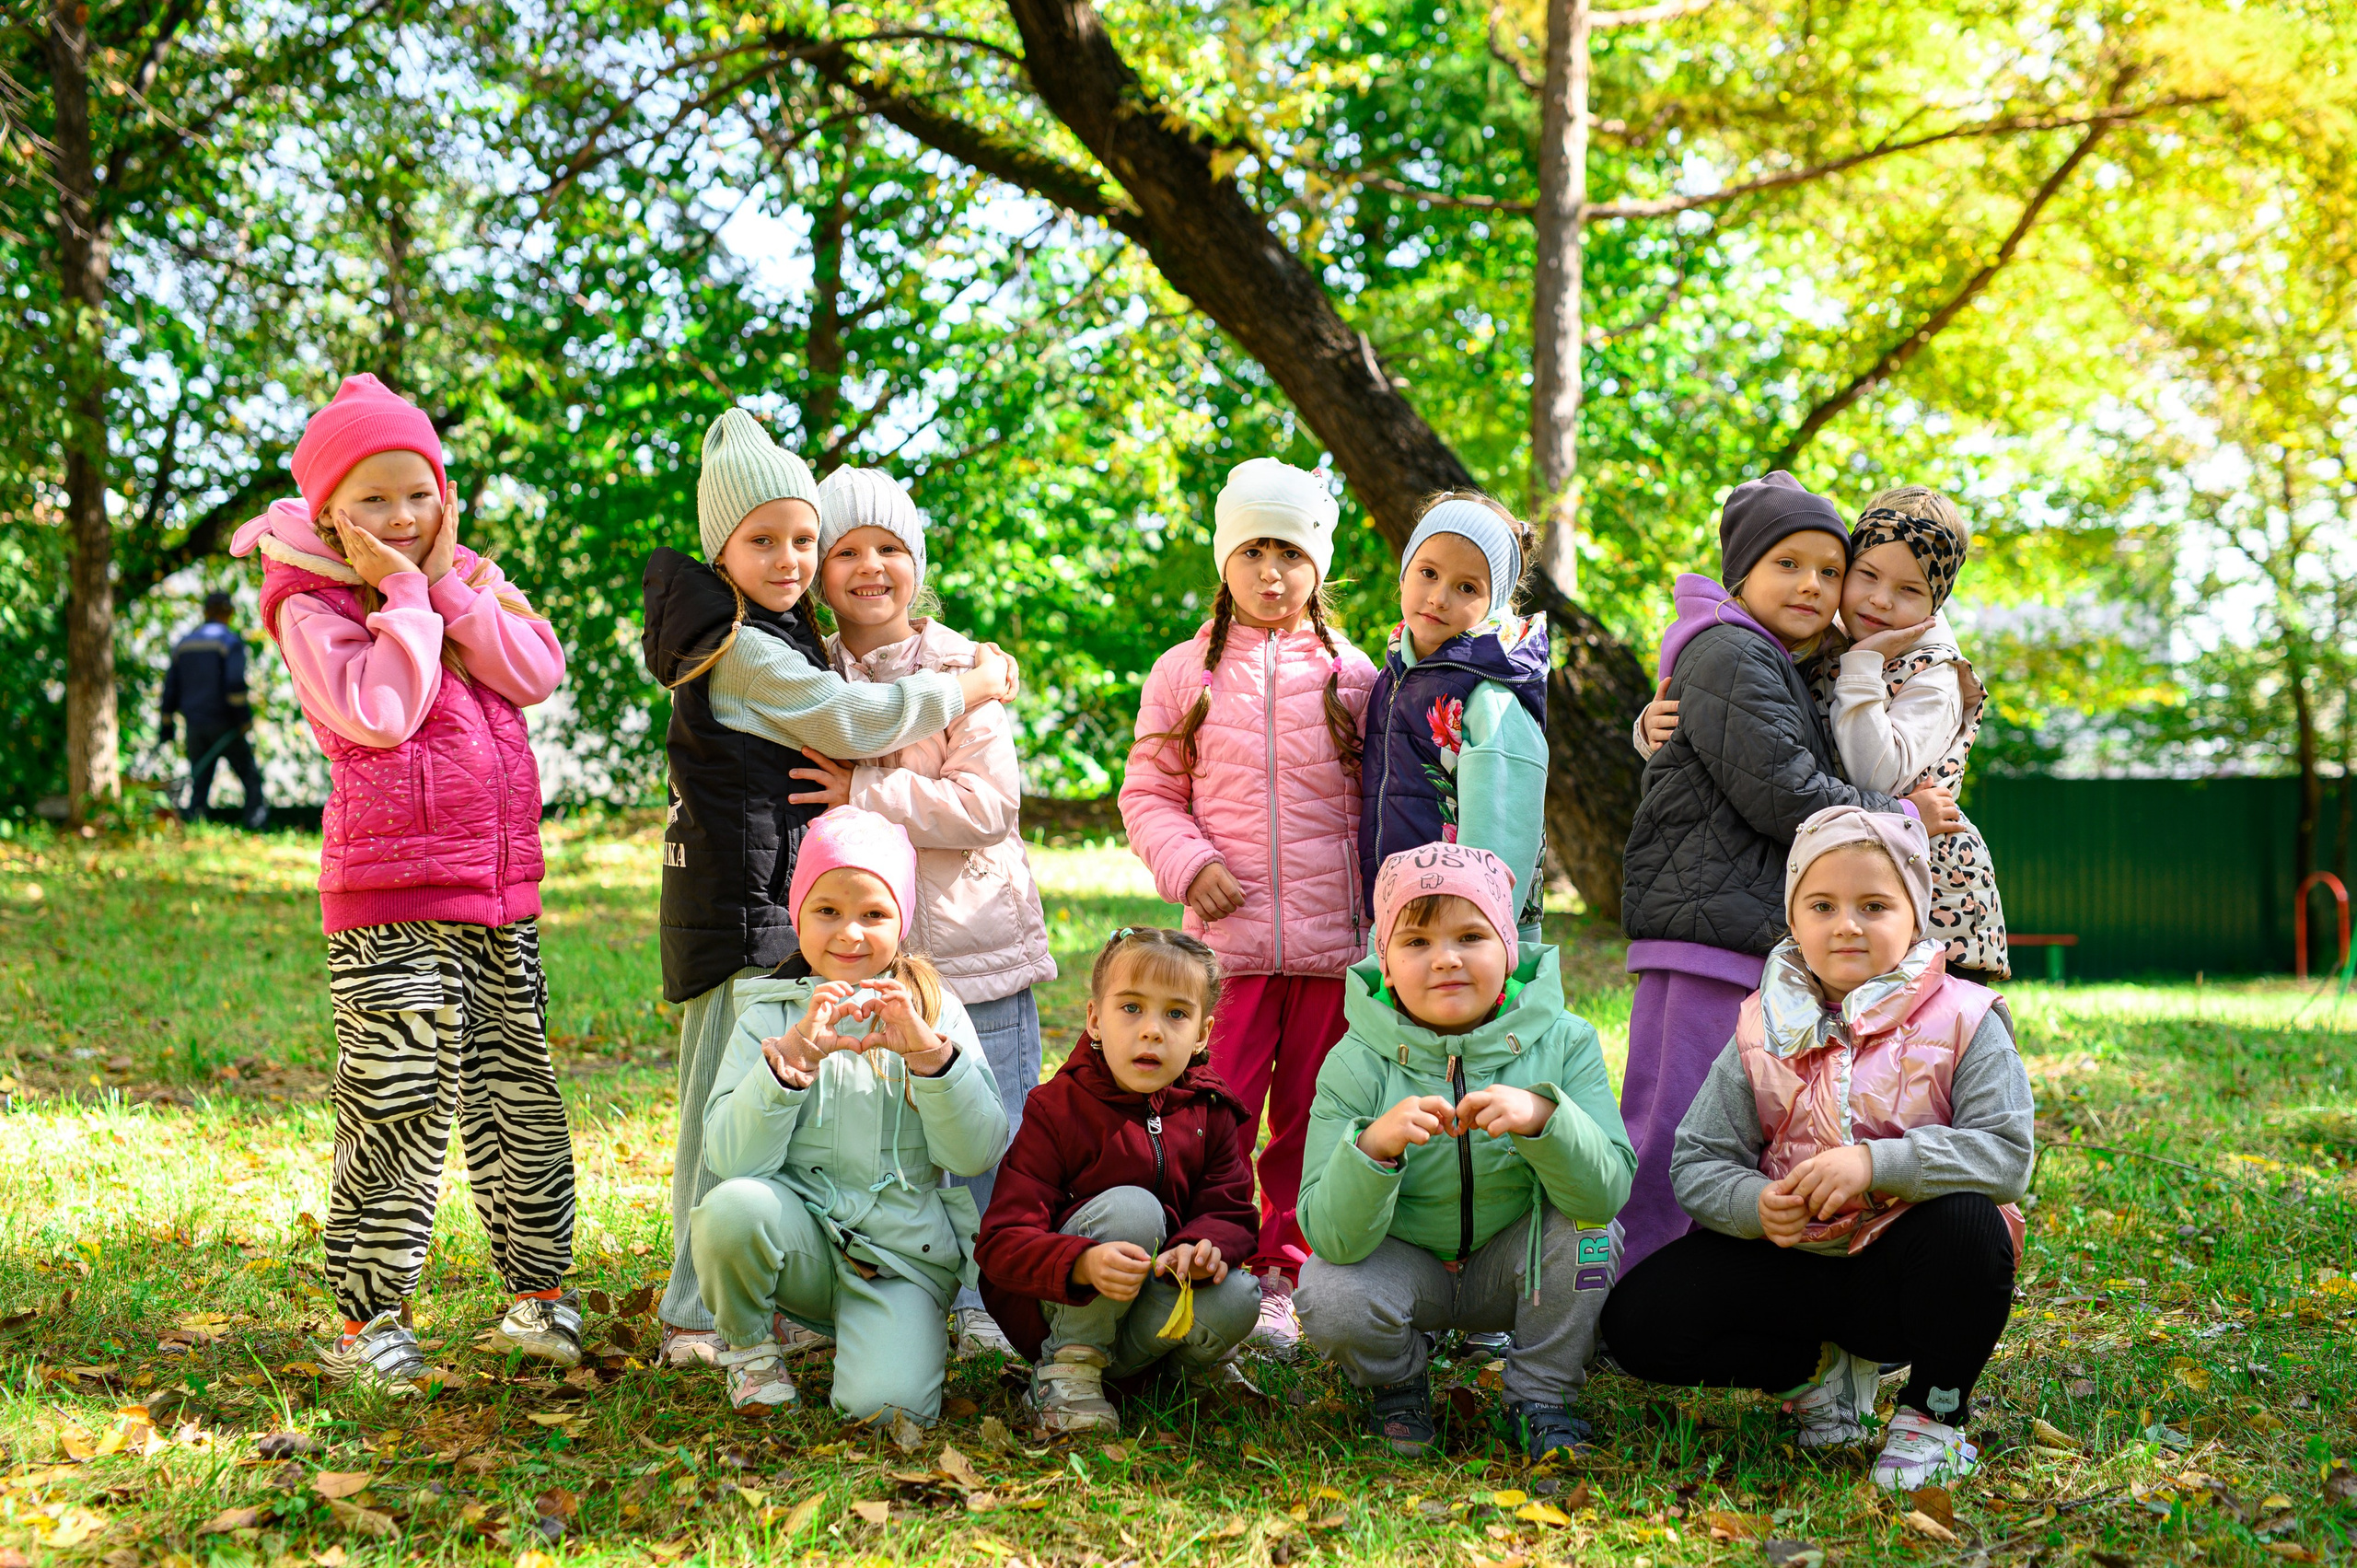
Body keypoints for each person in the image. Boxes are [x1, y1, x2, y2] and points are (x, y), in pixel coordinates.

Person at [639, 410, 1019, 1367]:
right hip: (733, 917)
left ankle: (771, 1288)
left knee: (766, 1102)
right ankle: (695, 1311)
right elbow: (851, 717)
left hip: (761, 902)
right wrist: (966, 687)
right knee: (717, 1112)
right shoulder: (744, 647)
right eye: (763, 539)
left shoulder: (766, 628)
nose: (790, 557)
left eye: (802, 537)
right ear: (720, 549)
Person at [226, 373, 577, 1391]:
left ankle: (539, 1293)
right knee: (401, 1094)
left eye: (417, 491)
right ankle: (368, 1317)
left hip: (498, 893)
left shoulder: (466, 572)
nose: (400, 517)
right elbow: (381, 709)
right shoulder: (309, 600)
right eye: (373, 498)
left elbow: (534, 669)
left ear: (445, 492)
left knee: (519, 1092)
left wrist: (451, 583)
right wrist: (408, 597)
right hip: (389, 899)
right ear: (330, 509)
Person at [1600, 806, 2032, 1490]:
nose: (1847, 924)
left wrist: (1877, 1163)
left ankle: (1933, 1416)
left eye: (1875, 904)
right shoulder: (1762, 1023)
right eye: (1822, 904)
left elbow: (2006, 1153)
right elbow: (1698, 1158)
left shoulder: (1965, 1017)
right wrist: (1754, 1202)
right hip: (1797, 1264)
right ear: (1793, 918)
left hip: (1905, 1273)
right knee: (1638, 1322)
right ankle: (1814, 1373)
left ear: (1915, 916)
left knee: (1971, 1226)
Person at [1617, 470, 1960, 1275]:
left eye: (1828, 570)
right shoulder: (1733, 651)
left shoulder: (1776, 659)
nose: (1813, 584)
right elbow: (1787, 794)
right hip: (1703, 932)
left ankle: (1696, 1292)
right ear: (1742, 574)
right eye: (1787, 564)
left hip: (1732, 925)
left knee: (1730, 1128)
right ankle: (1626, 1296)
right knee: (1672, 1124)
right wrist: (1904, 816)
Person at [793, 465, 1056, 1361]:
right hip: (876, 951)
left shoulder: (961, 668)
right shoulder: (811, 673)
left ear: (918, 562)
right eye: (847, 550)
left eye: (891, 548)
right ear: (820, 571)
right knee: (892, 1130)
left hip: (974, 942)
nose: (871, 566)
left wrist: (866, 788)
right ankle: (896, 1288)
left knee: (993, 1130)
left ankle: (997, 1298)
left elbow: (987, 805)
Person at [1120, 458, 1376, 1356]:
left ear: (1320, 564)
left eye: (1292, 552)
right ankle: (1208, 1254)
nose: (1272, 572)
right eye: (1253, 550)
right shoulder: (1184, 672)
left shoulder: (1355, 676)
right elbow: (1148, 793)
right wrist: (1189, 865)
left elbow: (1383, 801)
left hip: (1330, 949)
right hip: (1225, 948)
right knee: (1215, 1111)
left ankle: (1287, 1269)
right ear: (1224, 559)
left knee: (1312, 1117)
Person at [1295, 844, 1635, 1461]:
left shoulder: (1566, 1040)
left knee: (1589, 1234)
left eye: (1472, 935)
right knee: (1329, 1288)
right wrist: (1373, 1150)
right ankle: (1397, 1386)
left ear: (1509, 947)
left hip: (1516, 1263)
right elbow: (1331, 1237)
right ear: (1386, 965)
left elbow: (1606, 1193)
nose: (1446, 958)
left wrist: (1545, 1120)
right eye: (1417, 941)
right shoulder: (1354, 1061)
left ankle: (1542, 1394)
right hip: (1408, 1266)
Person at [689, 807, 1009, 1421]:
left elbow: (975, 1151)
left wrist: (931, 1059)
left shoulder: (935, 1014)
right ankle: (753, 1346)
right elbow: (731, 1159)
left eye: (874, 914)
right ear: (798, 913)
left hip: (899, 1257)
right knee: (732, 1210)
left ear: (903, 920)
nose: (850, 934)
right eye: (828, 911)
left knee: (886, 1412)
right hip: (801, 1238)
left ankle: (884, 1336)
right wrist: (789, 1067)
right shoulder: (768, 1013)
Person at [1634, 486, 2008, 982]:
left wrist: (1861, 665)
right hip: (1854, 866)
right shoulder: (1819, 640)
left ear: (1934, 605)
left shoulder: (1932, 674)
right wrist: (1654, 728)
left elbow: (1873, 773)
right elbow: (1750, 724)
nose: (1880, 598)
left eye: (1910, 590)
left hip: (1928, 876)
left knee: (1930, 1032)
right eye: (1866, 576)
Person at [976, 927, 1264, 1433]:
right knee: (1133, 1208)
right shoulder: (1057, 1110)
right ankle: (1067, 1372)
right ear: (1095, 1019)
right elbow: (1000, 1244)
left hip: (1149, 1309)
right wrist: (1081, 1263)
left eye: (1176, 1014)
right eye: (1131, 1008)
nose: (1152, 1030)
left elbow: (1232, 1210)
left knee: (1239, 1295)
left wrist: (1200, 1246)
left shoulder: (1209, 1111)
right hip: (1062, 1314)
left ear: (1201, 1033)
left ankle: (1177, 1376)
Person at [1358, 493, 1550, 951]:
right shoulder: (1394, 676)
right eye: (1428, 573)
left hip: (1469, 940)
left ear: (1493, 601)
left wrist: (1476, 936)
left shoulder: (1490, 695)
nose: (1439, 598)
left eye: (1467, 588)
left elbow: (1503, 834)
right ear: (1404, 572)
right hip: (1404, 925)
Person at [160, 590, 268, 828]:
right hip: (225, 724)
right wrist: (243, 719)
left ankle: (195, 823)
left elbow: (170, 688)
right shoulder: (229, 642)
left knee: (200, 780)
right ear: (229, 613)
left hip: (194, 726)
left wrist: (166, 725)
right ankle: (255, 824)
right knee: (250, 777)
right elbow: (235, 685)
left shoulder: (184, 645)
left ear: (205, 612)